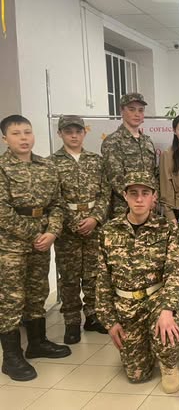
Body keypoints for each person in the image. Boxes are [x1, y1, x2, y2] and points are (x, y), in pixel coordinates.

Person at [96, 172, 179, 393]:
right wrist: (110, 322)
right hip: (126, 306)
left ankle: (168, 364)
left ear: (154, 197)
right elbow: (102, 280)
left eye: (145, 193)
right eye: (133, 193)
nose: (139, 199)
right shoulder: (108, 231)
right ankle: (147, 348)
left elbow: (175, 273)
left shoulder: (166, 228)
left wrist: (167, 309)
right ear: (125, 196)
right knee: (137, 376)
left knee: (169, 333)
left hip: (156, 299)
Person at [0, 115, 71, 382]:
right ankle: (11, 357)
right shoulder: (2, 168)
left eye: (27, 132)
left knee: (37, 291)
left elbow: (57, 203)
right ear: (5, 139)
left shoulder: (46, 166)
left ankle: (37, 342)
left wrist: (52, 232)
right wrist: (34, 234)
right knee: (11, 298)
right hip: (11, 245)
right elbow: (2, 211)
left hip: (42, 240)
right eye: (16, 133)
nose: (23, 138)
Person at [51, 115, 110, 344]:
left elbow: (105, 193)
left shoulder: (96, 160)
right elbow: (54, 198)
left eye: (78, 131)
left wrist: (95, 218)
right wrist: (74, 222)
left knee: (93, 274)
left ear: (84, 133)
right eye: (68, 132)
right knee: (69, 276)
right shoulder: (51, 163)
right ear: (60, 134)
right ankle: (72, 321)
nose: (74, 136)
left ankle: (93, 316)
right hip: (67, 230)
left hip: (94, 226)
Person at [101, 93, 158, 219]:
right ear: (122, 111)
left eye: (140, 110)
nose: (137, 114)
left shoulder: (147, 141)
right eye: (132, 109)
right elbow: (116, 179)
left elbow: (154, 173)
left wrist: (153, 197)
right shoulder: (113, 141)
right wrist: (139, 199)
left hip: (149, 207)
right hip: (124, 209)